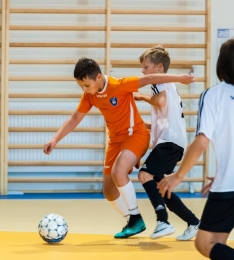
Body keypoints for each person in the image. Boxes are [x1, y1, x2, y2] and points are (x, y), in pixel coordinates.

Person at [43, 57, 194, 239]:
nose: (84, 90)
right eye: (81, 86)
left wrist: (180, 78)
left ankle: (139, 217)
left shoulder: (119, 85)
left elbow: (149, 79)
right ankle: (134, 219)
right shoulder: (90, 95)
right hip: (115, 141)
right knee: (109, 189)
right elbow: (75, 118)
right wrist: (55, 138)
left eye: (86, 85)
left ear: (99, 77)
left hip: (135, 135)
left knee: (119, 172)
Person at [158, 38, 234, 260]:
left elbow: (202, 142)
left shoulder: (214, 94)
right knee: (218, 241)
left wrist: (178, 176)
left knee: (204, 242)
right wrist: (225, 176)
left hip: (233, 182)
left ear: (222, 64)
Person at [134, 45, 200, 240]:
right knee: (162, 186)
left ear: (159, 68)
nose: (143, 72)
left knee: (145, 174)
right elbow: (160, 119)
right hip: (174, 141)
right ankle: (194, 223)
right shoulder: (169, 86)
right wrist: (139, 125)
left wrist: (141, 96)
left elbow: (159, 102)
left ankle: (163, 221)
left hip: (169, 142)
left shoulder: (159, 84)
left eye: (146, 67)